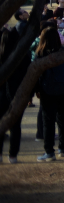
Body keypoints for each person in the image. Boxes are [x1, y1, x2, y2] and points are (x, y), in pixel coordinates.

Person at [33, 28, 64, 161]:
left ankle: (49, 151)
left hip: (48, 90)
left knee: (48, 121)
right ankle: (63, 148)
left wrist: (37, 90)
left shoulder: (41, 54)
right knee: (63, 119)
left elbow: (36, 75)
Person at [0, 28, 28, 164]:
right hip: (17, 94)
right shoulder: (22, 57)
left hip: (2, 95)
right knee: (16, 126)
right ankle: (13, 156)